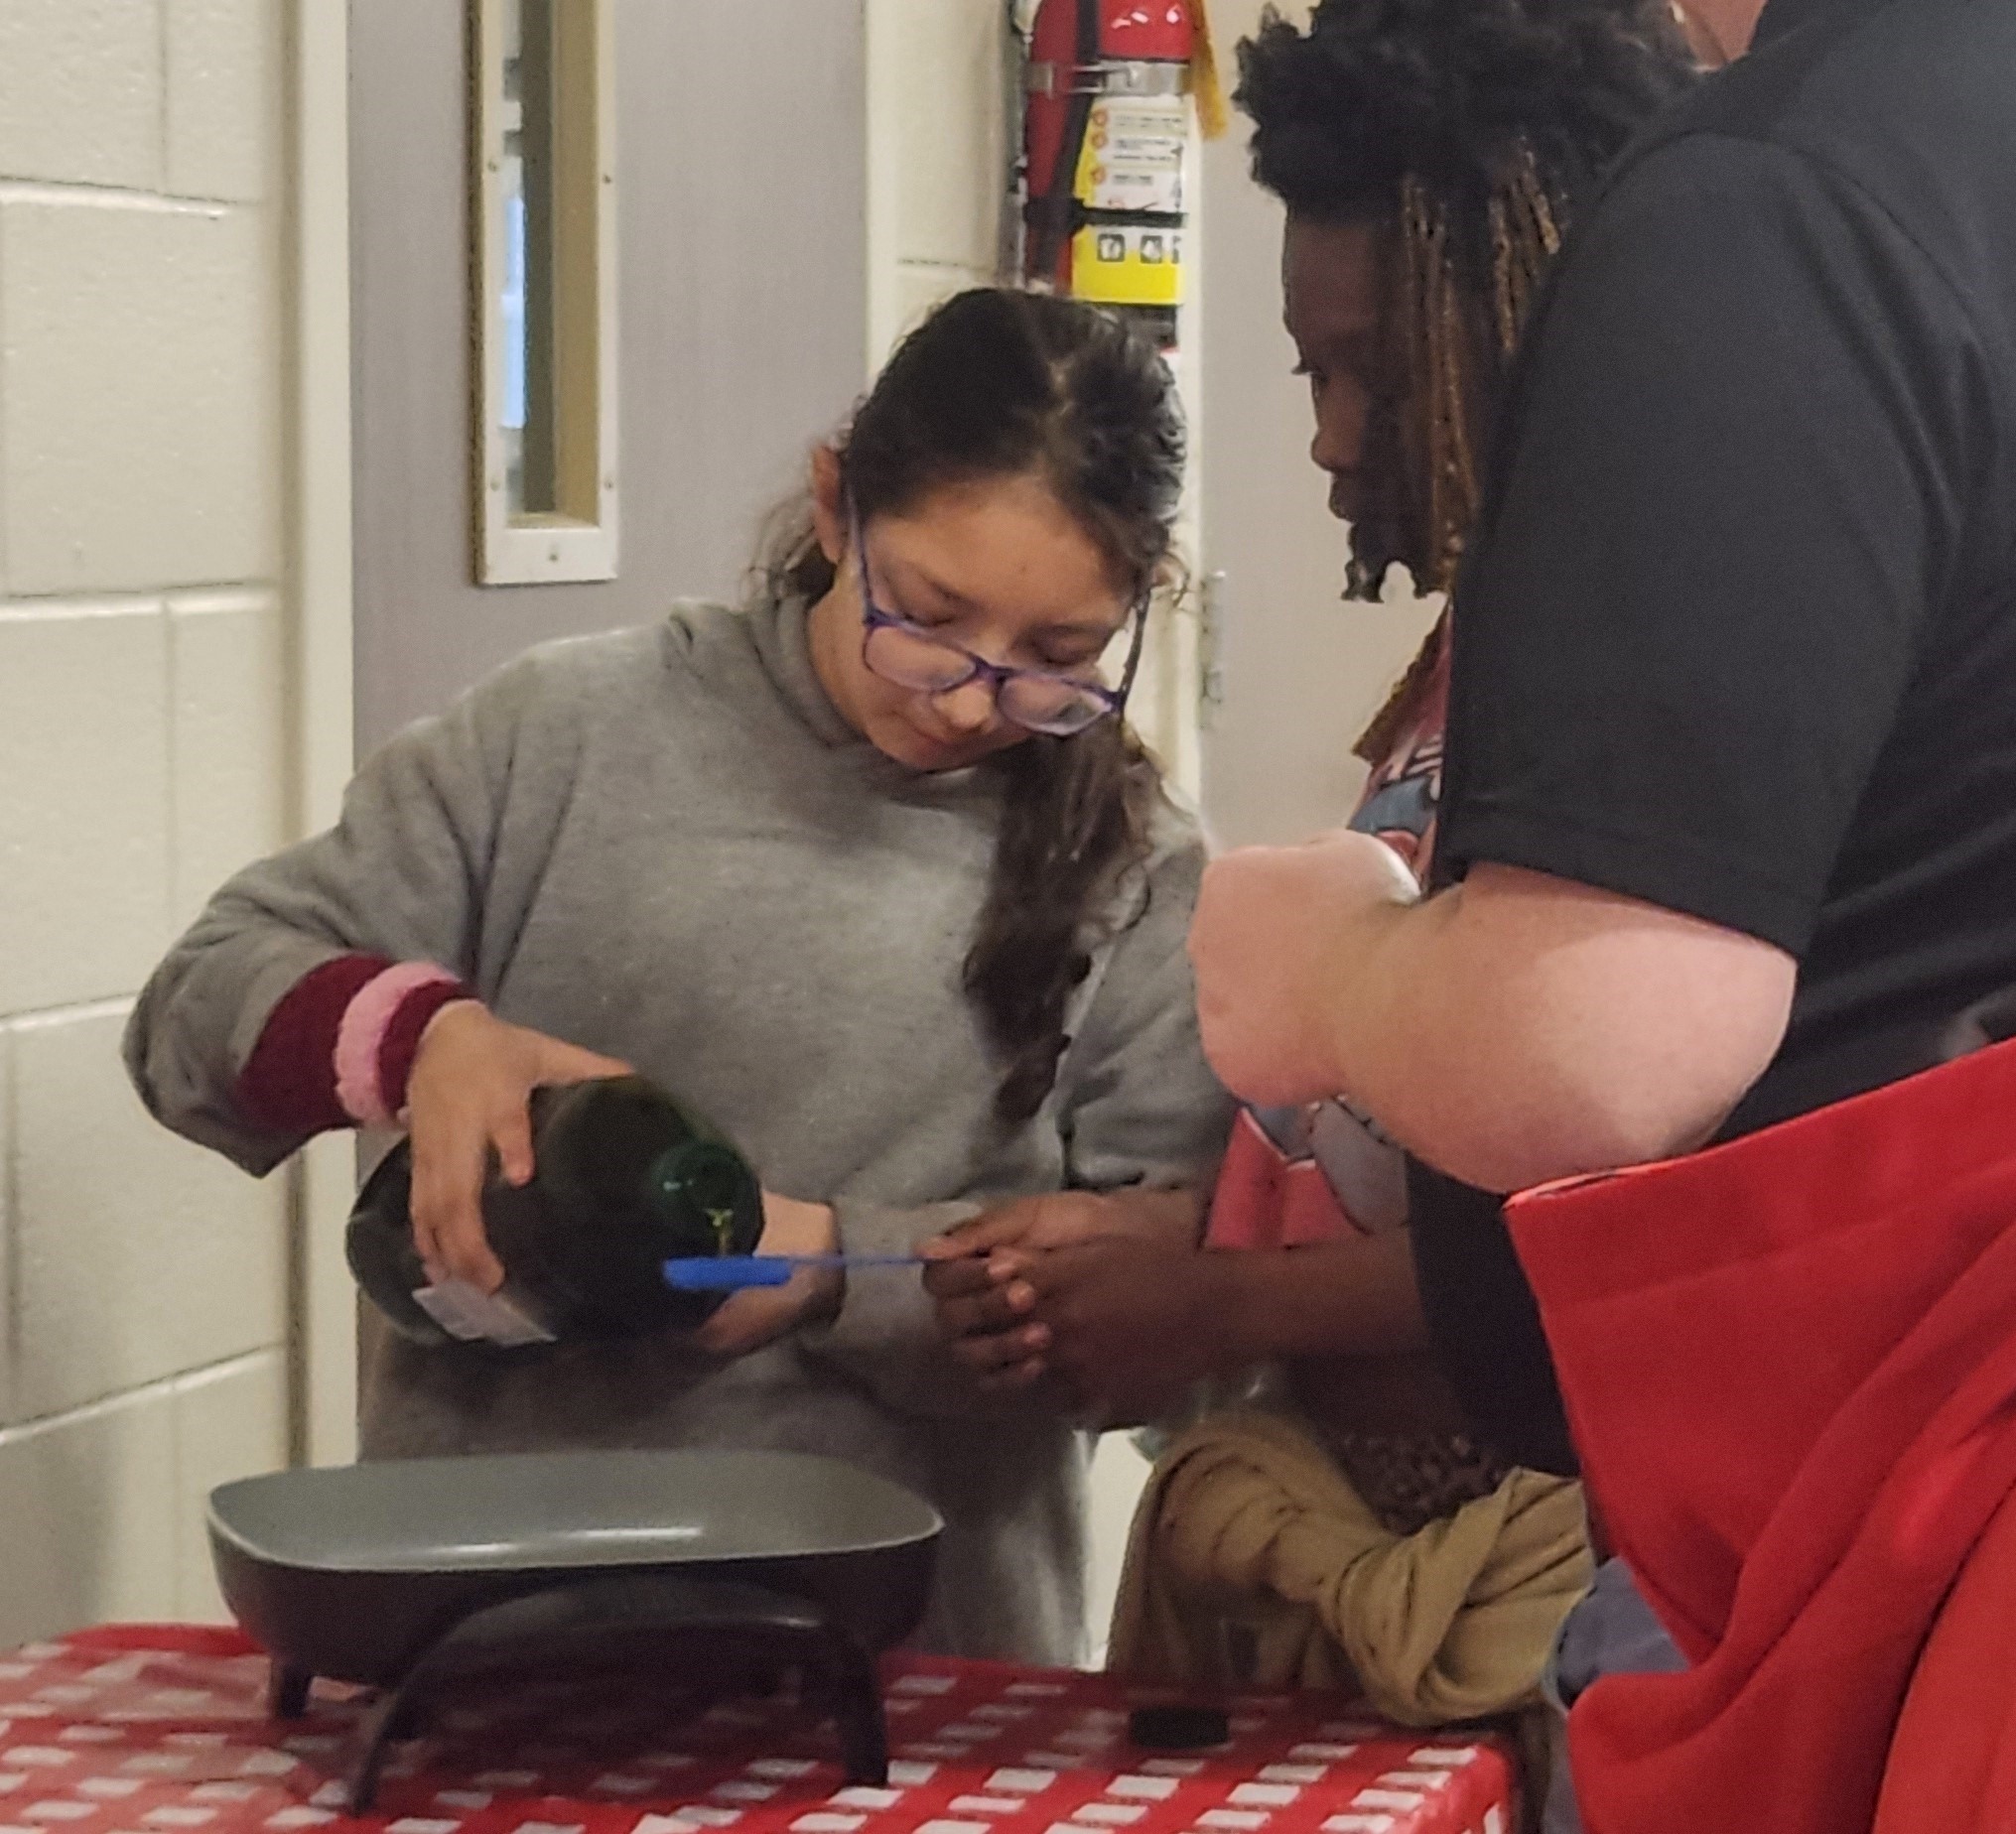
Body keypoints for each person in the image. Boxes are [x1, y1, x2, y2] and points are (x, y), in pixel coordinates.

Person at [124, 286, 1234, 1666]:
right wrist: (425, 1041)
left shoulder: (1139, 873)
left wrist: (835, 1270)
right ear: (837, 507)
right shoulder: (563, 735)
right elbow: (191, 1018)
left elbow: (1181, 1331)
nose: (967, 696)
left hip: (905, 1683)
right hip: (491, 1651)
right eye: (932, 615)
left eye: (1056, 661)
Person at [1185, 0, 2016, 1828]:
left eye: (1372, 379)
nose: (1337, 444)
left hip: (1873, 1529)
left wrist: (1323, 968)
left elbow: (1591, 1040)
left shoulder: (1787, 202)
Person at [924, 0, 1696, 1723]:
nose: (1338, 439)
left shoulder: (1650, 689)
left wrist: (1203, 1306)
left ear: (1525, 315)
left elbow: (1626, 1234)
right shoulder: (1476, 658)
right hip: (1356, 1557)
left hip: (1534, 1613)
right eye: (1310, 374)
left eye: (1375, 371)